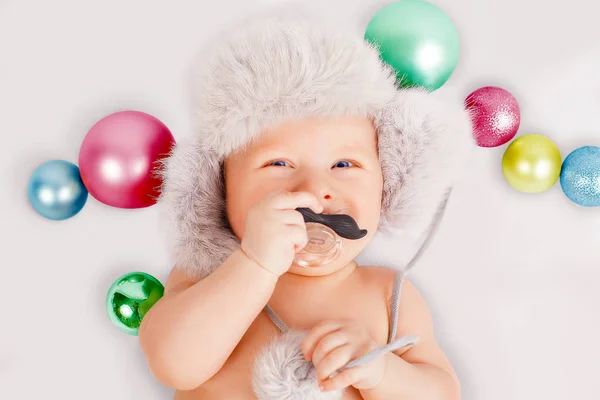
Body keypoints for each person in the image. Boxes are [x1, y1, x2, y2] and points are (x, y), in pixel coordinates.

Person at [139, 17, 474, 400]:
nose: (315, 191)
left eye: (344, 165)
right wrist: (255, 263)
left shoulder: (387, 293)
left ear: (388, 188)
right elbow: (173, 364)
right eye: (278, 164)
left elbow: (442, 393)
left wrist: (381, 371)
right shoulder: (205, 276)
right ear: (219, 189)